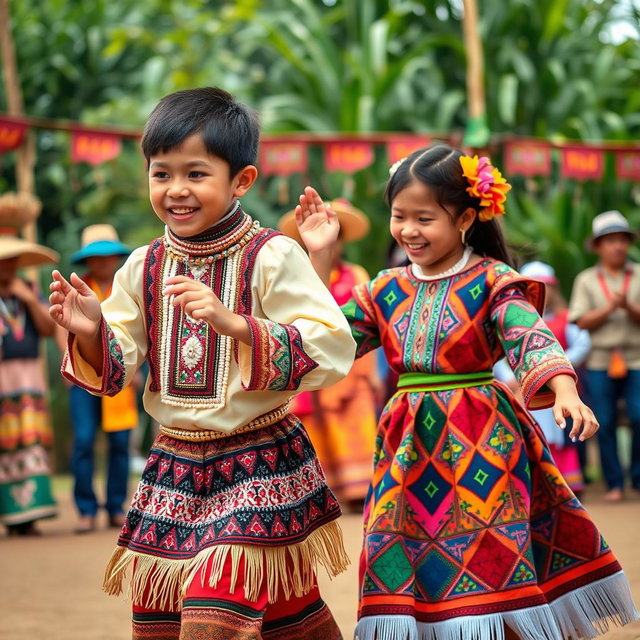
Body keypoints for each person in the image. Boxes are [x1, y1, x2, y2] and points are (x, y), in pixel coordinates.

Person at [295, 146, 639, 640]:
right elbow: (329, 340)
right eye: (399, 216)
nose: (408, 230)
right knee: (397, 544)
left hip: (484, 439)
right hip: (407, 446)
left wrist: (565, 390)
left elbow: (528, 334)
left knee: (493, 548)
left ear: (465, 218)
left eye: (424, 218)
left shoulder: (493, 279)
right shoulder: (383, 289)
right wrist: (320, 255)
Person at [49, 87, 355, 640]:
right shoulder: (143, 265)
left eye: (195, 173)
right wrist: (92, 331)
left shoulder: (272, 254)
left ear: (242, 181)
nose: (176, 190)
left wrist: (237, 325)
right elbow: (115, 363)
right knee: (172, 624)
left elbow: (331, 344)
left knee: (214, 620)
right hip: (172, 469)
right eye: (161, 174)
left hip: (257, 461)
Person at [279, 201, 380, 509]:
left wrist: (370, 373)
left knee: (351, 425)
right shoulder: (295, 276)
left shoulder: (356, 275)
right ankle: (320, 491)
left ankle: (357, 491)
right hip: (314, 362)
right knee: (314, 428)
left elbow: (368, 322)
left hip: (353, 366)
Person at [61, 224, 136, 533]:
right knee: (83, 440)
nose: (103, 261)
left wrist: (137, 370)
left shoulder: (126, 289)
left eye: (109, 255)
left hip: (121, 377)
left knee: (120, 442)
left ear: (117, 258)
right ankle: (86, 509)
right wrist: (70, 363)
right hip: (82, 375)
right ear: (87, 261)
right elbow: (61, 328)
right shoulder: (78, 289)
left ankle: (115, 506)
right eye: (97, 256)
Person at [495, 261, 590, 496]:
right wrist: (509, 376)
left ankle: (566, 481)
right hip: (522, 389)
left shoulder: (564, 319)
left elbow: (582, 344)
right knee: (530, 432)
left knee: (562, 432)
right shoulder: (506, 322)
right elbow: (495, 353)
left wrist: (555, 365)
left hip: (559, 388)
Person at [569, 210, 640, 502]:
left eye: (622, 240)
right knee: (605, 420)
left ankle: (636, 477)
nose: (618, 246)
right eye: (610, 241)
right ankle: (613, 483)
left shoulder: (638, 274)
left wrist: (629, 307)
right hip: (599, 361)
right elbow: (580, 320)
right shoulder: (586, 280)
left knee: (639, 416)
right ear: (598, 246)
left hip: (636, 359)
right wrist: (610, 309)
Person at [0, 192, 59, 536]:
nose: (7, 268)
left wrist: (28, 300)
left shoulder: (30, 289)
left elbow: (49, 329)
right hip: (3, 377)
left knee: (30, 438)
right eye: (3, 262)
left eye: (12, 261)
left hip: (29, 376)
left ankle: (30, 512)